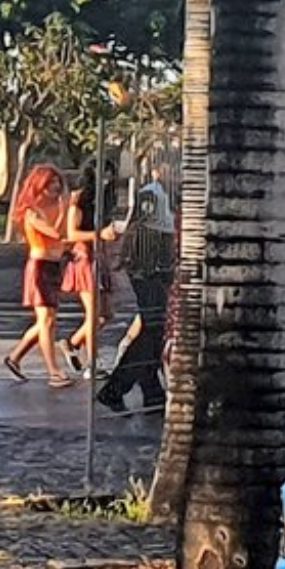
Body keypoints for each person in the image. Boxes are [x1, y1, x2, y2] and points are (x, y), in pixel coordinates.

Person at [99, 162, 174, 413]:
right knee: (152, 328)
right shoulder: (152, 193)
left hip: (156, 266)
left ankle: (151, 389)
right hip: (147, 267)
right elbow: (138, 228)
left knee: (154, 329)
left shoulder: (168, 196)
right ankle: (117, 388)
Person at [3, 164, 73, 388]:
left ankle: (14, 357)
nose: (55, 188)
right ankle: (53, 371)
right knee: (46, 320)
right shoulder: (32, 212)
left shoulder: (54, 207)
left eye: (57, 183)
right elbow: (55, 233)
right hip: (40, 267)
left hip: (54, 265)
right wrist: (64, 211)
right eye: (50, 183)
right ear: (39, 185)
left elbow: (64, 239)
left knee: (47, 320)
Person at [61, 161, 123, 377]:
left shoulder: (105, 199)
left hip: (100, 255)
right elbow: (71, 233)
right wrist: (99, 234)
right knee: (93, 312)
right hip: (84, 256)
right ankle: (92, 363)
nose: (106, 180)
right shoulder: (79, 198)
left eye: (109, 176)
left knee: (106, 314)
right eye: (102, 175)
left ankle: (72, 342)